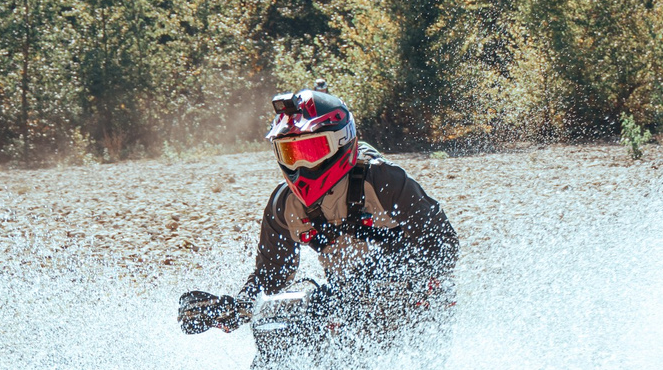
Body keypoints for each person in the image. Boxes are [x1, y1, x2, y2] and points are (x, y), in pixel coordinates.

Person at [179, 84, 457, 339]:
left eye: (311, 151)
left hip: (416, 307)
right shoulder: (283, 205)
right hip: (344, 309)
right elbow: (271, 279)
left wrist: (370, 281)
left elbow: (444, 245)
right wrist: (233, 308)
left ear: (341, 141)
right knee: (279, 330)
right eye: (290, 154)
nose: (299, 165)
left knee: (324, 305)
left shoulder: (385, 180)